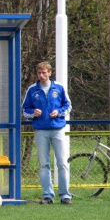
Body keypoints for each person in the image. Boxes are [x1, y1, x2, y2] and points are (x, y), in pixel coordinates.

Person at [21, 61, 73, 205]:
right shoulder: (32, 90)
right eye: (39, 73)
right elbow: (25, 110)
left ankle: (65, 195)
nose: (41, 75)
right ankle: (47, 195)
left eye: (44, 72)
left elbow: (68, 105)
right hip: (41, 131)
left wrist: (59, 112)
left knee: (62, 163)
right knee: (44, 164)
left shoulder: (59, 88)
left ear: (50, 73)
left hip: (58, 129)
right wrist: (33, 113)